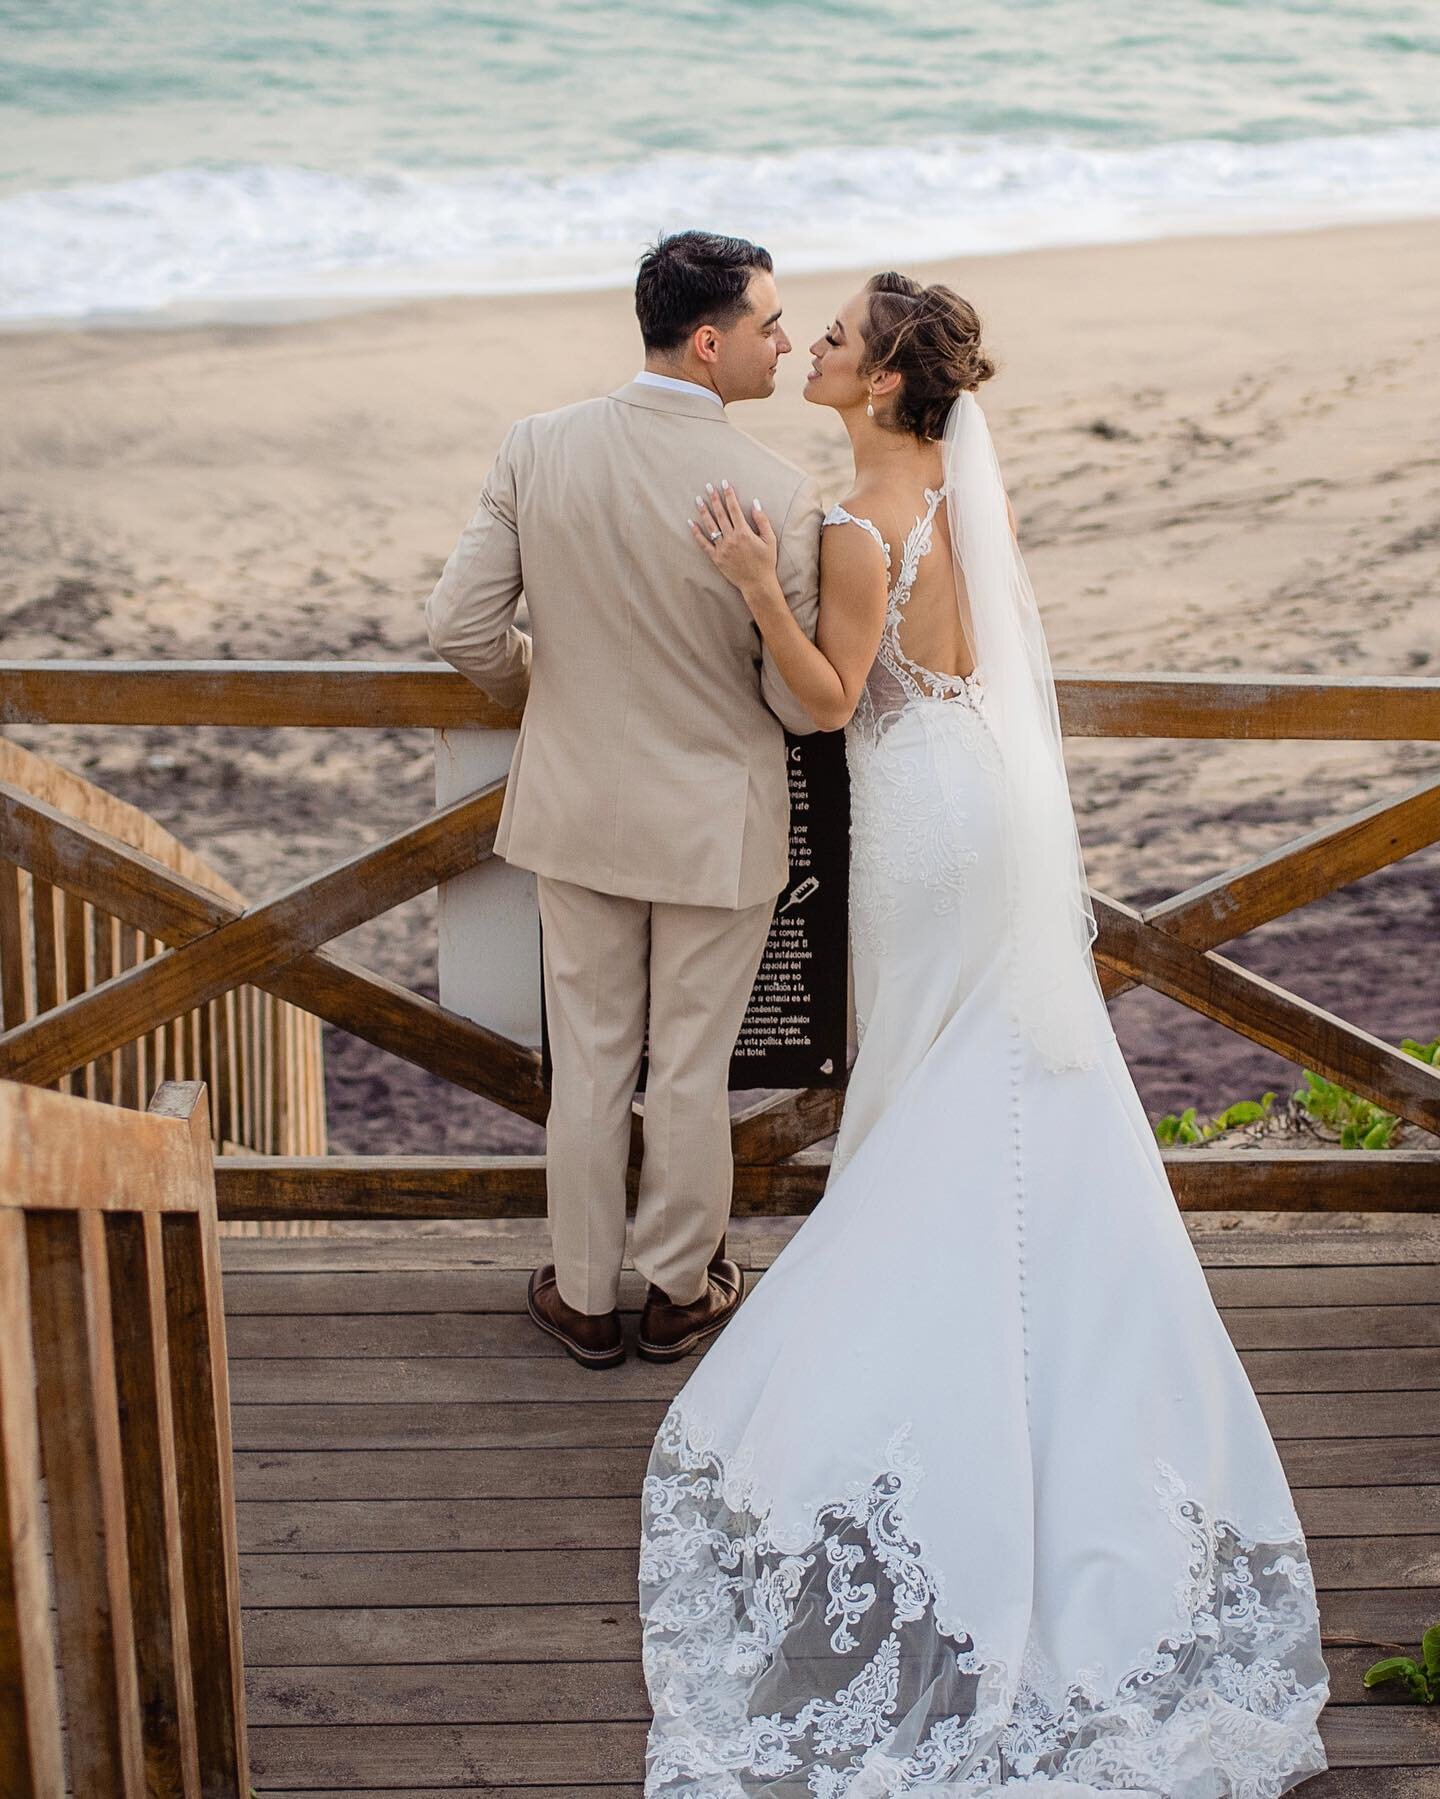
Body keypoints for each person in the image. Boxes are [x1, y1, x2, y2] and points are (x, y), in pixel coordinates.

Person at [638, 273, 1329, 1794]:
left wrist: (758, 580)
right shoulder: (959, 486)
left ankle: (942, 1307)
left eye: (835, 339)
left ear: (884, 385)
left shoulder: (854, 515)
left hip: (915, 810)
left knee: (944, 1068)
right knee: (1006, 1060)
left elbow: (823, 702)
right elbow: (978, 657)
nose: (812, 348)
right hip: (981, 791)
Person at [425, 231, 822, 1369]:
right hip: (716, 824)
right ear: (709, 343)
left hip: (580, 809)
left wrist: (538, 686)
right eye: (769, 325)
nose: (783, 342)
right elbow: (799, 709)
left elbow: (458, 627)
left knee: (592, 1063)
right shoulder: (780, 494)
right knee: (692, 1070)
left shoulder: (538, 447)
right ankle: (682, 1292)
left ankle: (587, 1296)